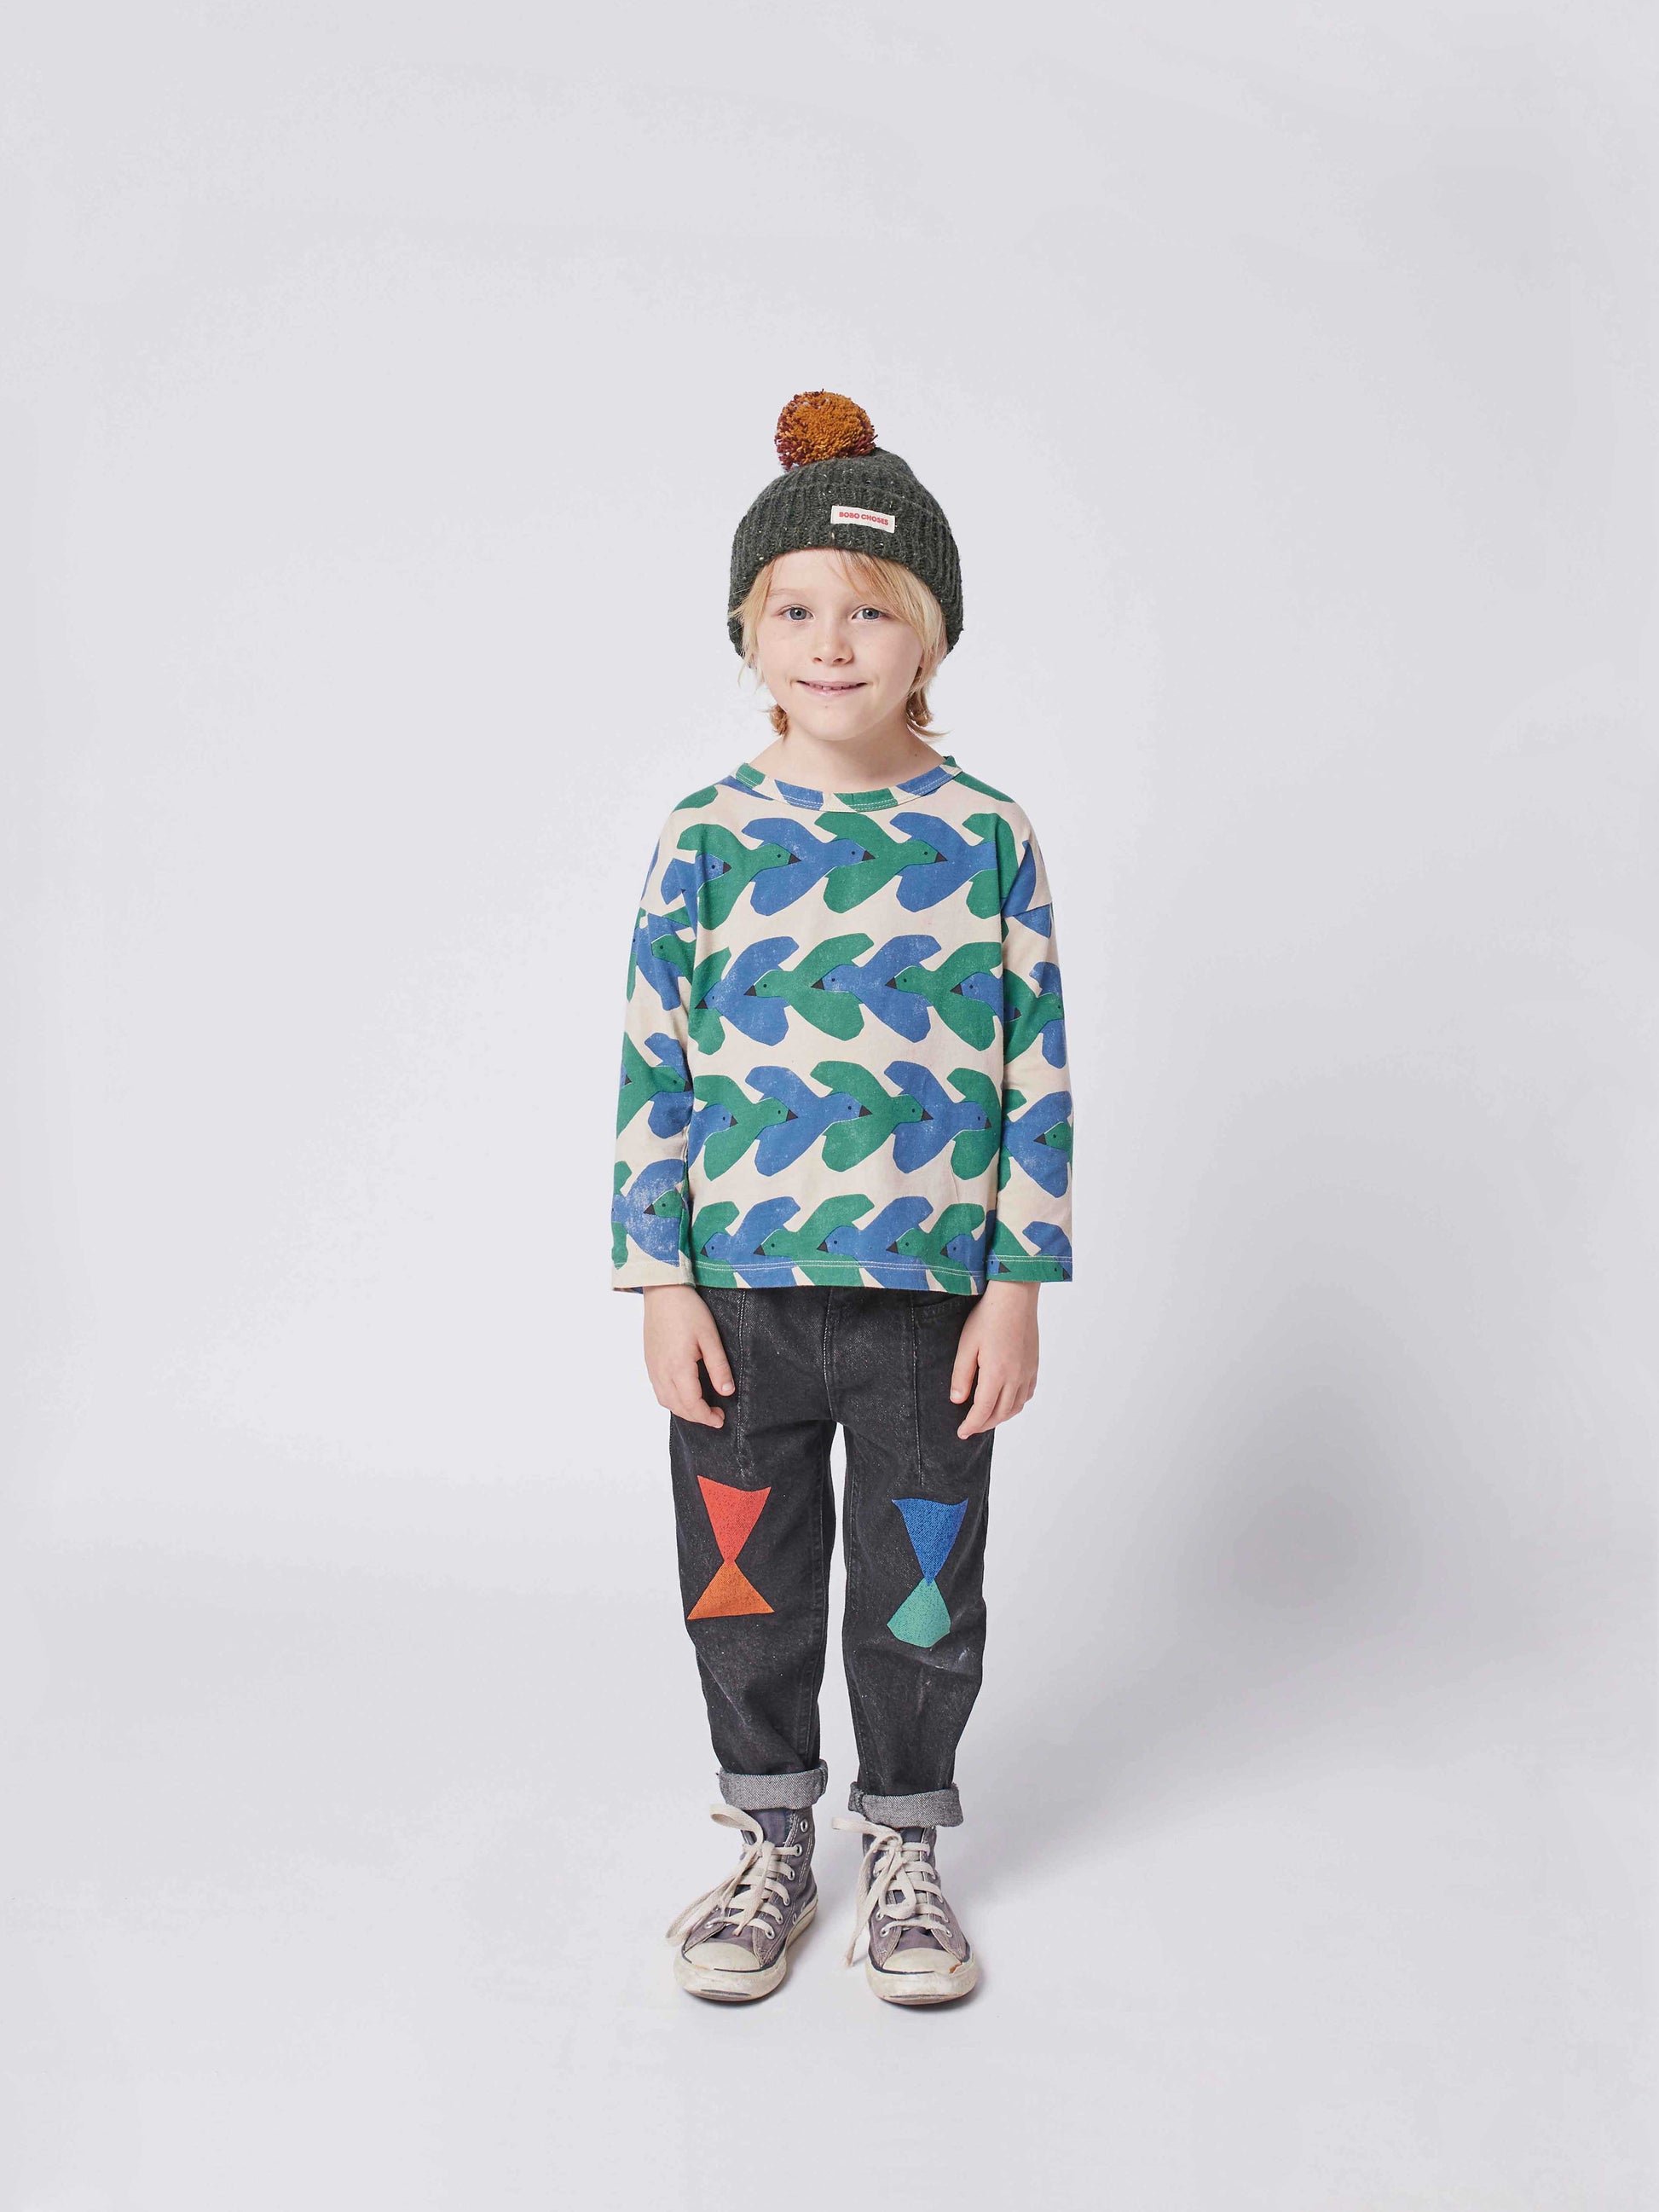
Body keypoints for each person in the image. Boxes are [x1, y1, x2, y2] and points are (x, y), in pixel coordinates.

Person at [610, 391, 1074, 2005]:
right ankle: (769, 1841)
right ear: (748, 631)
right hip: (736, 1296)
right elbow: (654, 1065)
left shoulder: (986, 835)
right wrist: (659, 1280)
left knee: (921, 1591)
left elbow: (1035, 1069)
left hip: (931, 1306)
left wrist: (1016, 1282)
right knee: (741, 1583)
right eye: (795, 609)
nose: (830, 642)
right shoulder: (706, 837)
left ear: (928, 636)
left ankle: (904, 1845)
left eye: (870, 611)